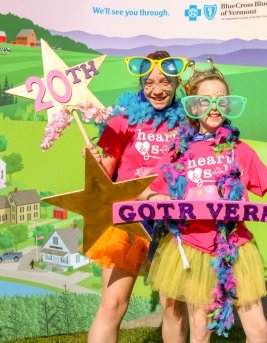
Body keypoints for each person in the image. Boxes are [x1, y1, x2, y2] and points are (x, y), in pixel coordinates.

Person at [143, 59, 267, 342]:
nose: (214, 107)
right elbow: (147, 191)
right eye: (206, 100)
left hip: (235, 247)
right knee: (200, 330)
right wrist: (157, 196)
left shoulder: (240, 150)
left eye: (221, 100)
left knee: (259, 329)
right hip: (193, 245)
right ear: (194, 106)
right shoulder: (180, 151)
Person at [85, 51, 189, 343]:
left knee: (174, 310)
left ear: (177, 81)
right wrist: (93, 162)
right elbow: (103, 176)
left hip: (172, 224)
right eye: (150, 83)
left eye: (165, 82)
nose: (157, 90)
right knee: (112, 304)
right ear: (141, 84)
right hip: (128, 220)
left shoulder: (188, 124)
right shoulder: (121, 121)